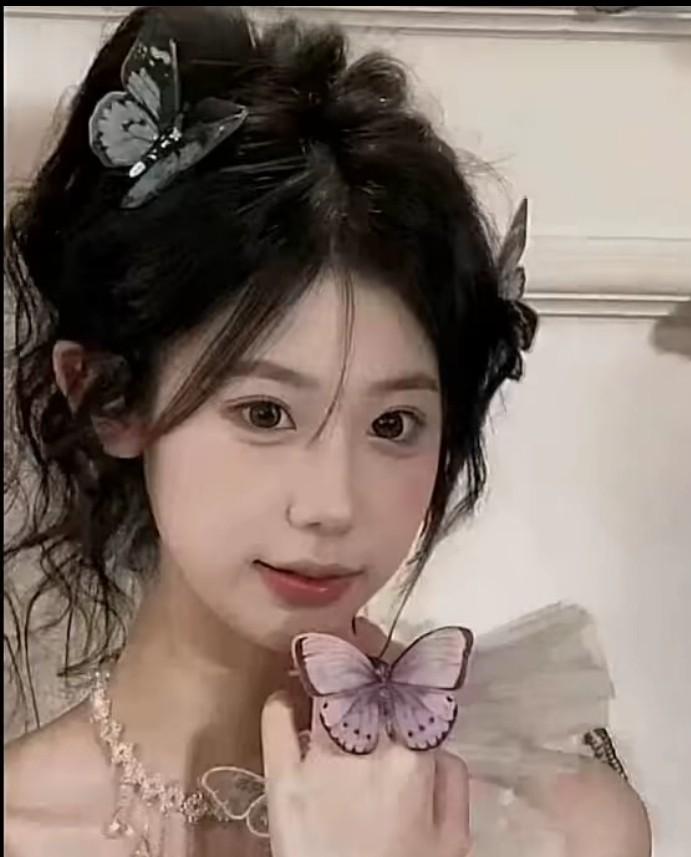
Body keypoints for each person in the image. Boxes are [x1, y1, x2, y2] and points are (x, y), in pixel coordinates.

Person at [3, 6, 651, 856]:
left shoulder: (562, 824)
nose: (333, 504)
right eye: (265, 413)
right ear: (107, 400)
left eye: (393, 423)